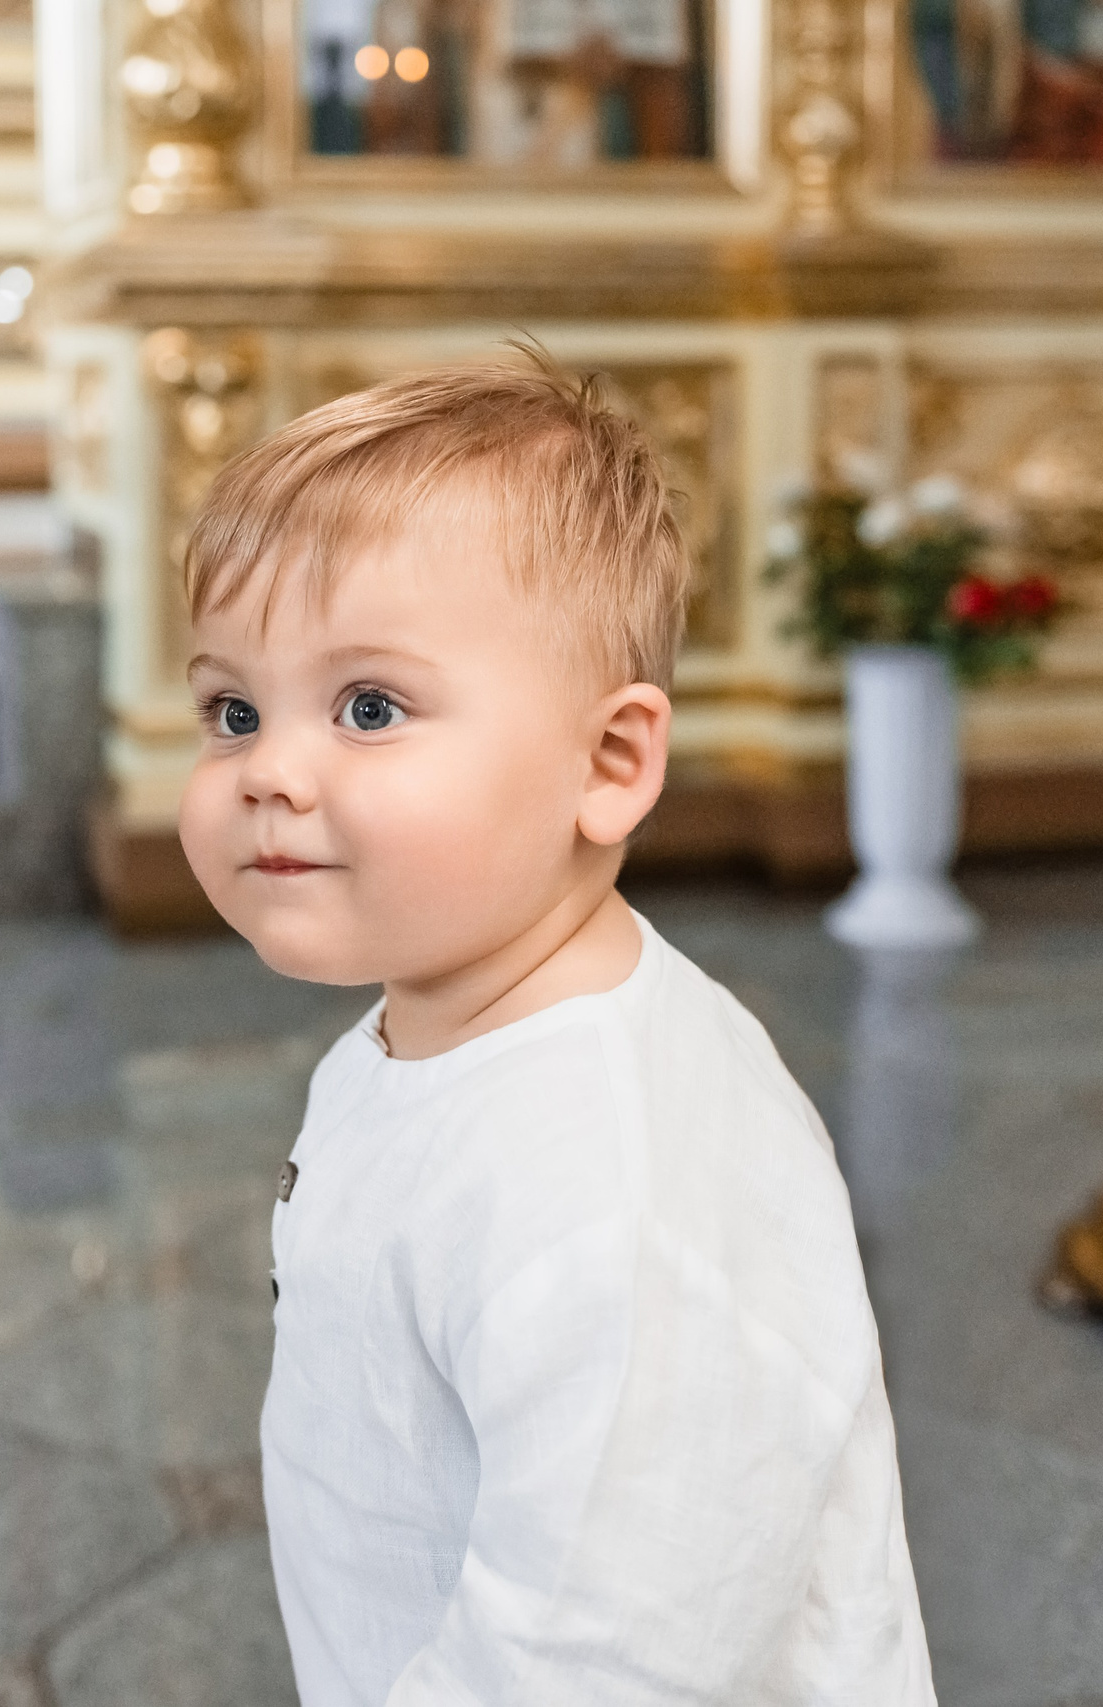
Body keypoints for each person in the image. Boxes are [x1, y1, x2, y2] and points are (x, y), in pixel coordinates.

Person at [176, 350, 936, 1707]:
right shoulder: (432, 1020)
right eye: (234, 711)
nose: (268, 772)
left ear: (609, 763)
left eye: (369, 708)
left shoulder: (613, 1178)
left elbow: (611, 1656)